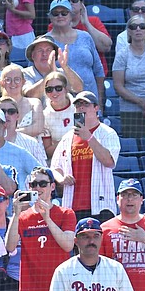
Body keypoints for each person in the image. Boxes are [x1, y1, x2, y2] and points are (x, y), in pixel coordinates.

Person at [5, 167, 76, 291]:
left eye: (42, 183)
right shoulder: (22, 217)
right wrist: (15, 214)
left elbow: (68, 245)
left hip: (63, 286)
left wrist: (47, 219)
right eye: (33, 184)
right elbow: (9, 247)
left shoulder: (66, 213)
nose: (37, 188)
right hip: (35, 287)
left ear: (52, 187)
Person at [51, 91, 121, 221]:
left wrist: (89, 137)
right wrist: (61, 179)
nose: (81, 107)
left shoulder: (107, 133)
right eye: (78, 105)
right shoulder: (67, 137)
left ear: (96, 108)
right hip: (72, 204)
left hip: (100, 204)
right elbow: (55, 167)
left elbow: (109, 161)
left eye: (85, 104)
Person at [46, 0, 105, 100]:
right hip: (59, 103)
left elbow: (98, 70)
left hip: (89, 100)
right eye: (55, 13)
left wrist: (99, 101)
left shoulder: (85, 37)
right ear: (50, 17)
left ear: (71, 16)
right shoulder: (45, 41)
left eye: (64, 13)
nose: (60, 16)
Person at [112, 15, 145, 139]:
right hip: (131, 108)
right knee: (136, 146)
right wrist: (141, 101)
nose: (138, 29)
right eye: (133, 27)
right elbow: (118, 86)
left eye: (142, 26)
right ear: (129, 31)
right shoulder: (122, 54)